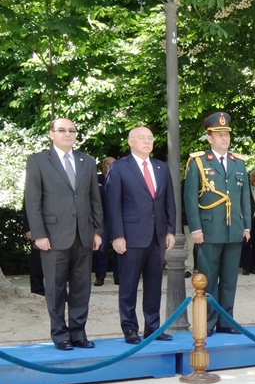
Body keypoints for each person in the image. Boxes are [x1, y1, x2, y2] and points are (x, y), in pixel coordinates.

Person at [24, 118, 104, 350]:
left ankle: (78, 334)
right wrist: (39, 234)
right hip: (52, 236)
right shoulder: (38, 161)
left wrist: (98, 230)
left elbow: (94, 199)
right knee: (55, 289)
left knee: (81, 288)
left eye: (71, 130)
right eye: (61, 130)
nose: (67, 134)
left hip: (84, 234)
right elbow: (32, 200)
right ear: (51, 134)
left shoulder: (87, 161)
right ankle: (60, 335)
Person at [104, 126, 176, 344]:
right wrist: (117, 236)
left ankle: (153, 328)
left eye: (150, 138)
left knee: (154, 286)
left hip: (157, 236)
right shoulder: (119, 167)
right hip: (131, 237)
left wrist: (170, 230)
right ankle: (130, 329)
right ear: (130, 142)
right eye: (142, 138)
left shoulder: (161, 167)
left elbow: (169, 202)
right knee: (128, 286)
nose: (147, 142)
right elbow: (113, 205)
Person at [184, 111, 251, 335]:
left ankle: (226, 321)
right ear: (209, 137)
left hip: (234, 229)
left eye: (226, 134)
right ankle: (208, 322)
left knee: (230, 279)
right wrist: (195, 228)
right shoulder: (199, 162)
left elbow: (244, 198)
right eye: (219, 134)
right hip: (209, 229)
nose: (224, 138)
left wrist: (247, 226)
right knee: (209, 279)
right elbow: (190, 199)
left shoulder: (238, 163)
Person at [94, 156, 117, 286]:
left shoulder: (119, 178)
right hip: (102, 218)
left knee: (119, 247)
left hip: (116, 217)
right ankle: (100, 277)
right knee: (101, 248)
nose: (111, 167)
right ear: (104, 165)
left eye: (114, 164)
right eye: (109, 164)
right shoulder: (96, 179)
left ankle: (118, 276)